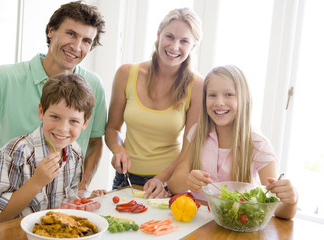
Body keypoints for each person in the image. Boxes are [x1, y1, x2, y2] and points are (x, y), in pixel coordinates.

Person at [0, 1, 106, 217]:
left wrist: (82, 188)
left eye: (86, 40)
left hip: (58, 215)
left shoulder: (93, 85)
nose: (77, 47)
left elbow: (95, 141)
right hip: (12, 212)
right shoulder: (4, 78)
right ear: (51, 31)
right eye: (70, 34)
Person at [167, 65, 298, 219]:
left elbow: (277, 211)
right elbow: (174, 185)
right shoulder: (197, 133)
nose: (219, 102)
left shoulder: (259, 145)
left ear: (243, 99)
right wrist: (189, 180)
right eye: (212, 95)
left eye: (229, 94)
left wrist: (291, 200)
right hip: (198, 222)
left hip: (238, 224)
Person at [0, 73, 104, 228]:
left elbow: (69, 201)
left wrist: (87, 199)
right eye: (55, 117)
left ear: (85, 122)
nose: (63, 129)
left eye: (73, 121)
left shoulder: (75, 153)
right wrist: (36, 182)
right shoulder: (15, 152)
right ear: (41, 111)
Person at [105, 8, 204, 198]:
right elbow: (112, 129)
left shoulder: (197, 85)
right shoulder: (126, 74)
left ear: (193, 46)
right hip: (125, 179)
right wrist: (118, 150)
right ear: (159, 35)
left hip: (167, 183)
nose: (174, 46)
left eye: (184, 41)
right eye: (170, 36)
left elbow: (189, 148)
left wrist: (163, 179)